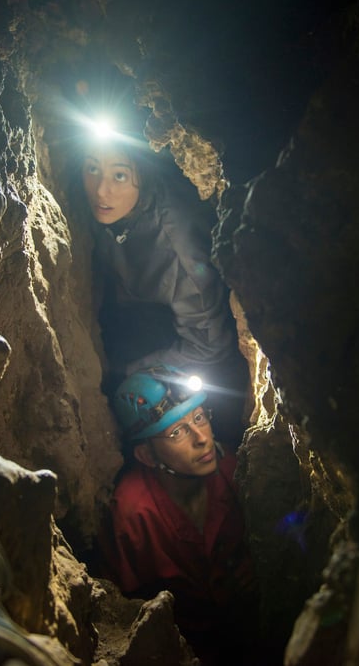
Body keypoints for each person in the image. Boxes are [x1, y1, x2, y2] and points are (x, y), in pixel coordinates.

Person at [73, 113, 250, 446]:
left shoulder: (177, 250)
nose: (101, 190)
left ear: (143, 172)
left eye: (120, 175)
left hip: (200, 345)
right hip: (137, 304)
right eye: (92, 168)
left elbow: (211, 346)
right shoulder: (117, 206)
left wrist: (129, 369)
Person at [96, 365, 263, 665]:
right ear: (147, 455)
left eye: (199, 417)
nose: (202, 438)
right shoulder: (132, 516)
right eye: (177, 432)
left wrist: (257, 566)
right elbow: (117, 611)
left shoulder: (234, 470)